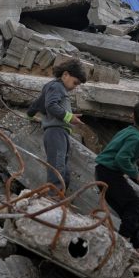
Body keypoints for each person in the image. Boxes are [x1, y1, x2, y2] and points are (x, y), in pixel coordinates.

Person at [94, 101, 139, 258]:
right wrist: (136, 175)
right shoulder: (136, 139)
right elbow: (121, 158)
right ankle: (121, 243)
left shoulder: (128, 131)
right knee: (134, 205)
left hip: (104, 172)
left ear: (132, 116)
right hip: (109, 174)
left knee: (131, 209)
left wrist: (132, 171)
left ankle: (138, 246)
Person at [26, 58, 87, 192]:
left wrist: (30, 114)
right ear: (65, 75)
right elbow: (51, 105)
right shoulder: (57, 87)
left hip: (60, 133)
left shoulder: (53, 87)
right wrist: (69, 117)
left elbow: (38, 103)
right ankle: (54, 196)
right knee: (57, 167)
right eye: (75, 83)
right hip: (55, 132)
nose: (75, 87)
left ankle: (59, 194)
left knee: (62, 168)